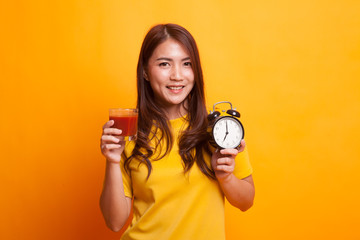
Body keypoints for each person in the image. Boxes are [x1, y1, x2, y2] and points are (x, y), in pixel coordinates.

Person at [100, 23, 255, 240]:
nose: (177, 75)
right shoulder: (130, 132)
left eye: (187, 64)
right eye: (164, 64)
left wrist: (226, 177)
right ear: (145, 71)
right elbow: (115, 222)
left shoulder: (220, 130)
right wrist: (112, 161)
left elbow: (246, 201)